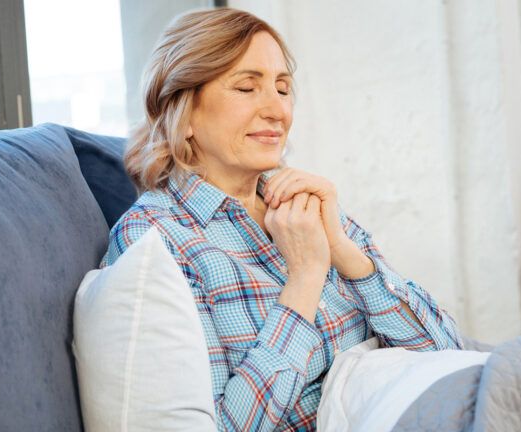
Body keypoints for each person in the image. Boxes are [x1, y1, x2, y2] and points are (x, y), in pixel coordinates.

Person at [101, 8, 462, 431]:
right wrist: (305, 278)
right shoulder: (156, 239)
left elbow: (445, 349)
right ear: (184, 111)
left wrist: (346, 254)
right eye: (247, 87)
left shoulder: (303, 200)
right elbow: (230, 426)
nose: (278, 111)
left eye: (283, 88)